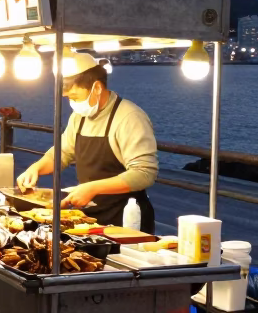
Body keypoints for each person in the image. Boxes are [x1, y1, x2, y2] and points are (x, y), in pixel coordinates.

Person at [16, 52, 158, 231]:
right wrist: (36, 168)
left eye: (75, 97)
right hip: (90, 217)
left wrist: (92, 188)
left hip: (126, 218)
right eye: (69, 98)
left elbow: (144, 173)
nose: (72, 102)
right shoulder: (79, 116)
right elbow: (62, 153)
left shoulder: (129, 117)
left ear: (96, 88)